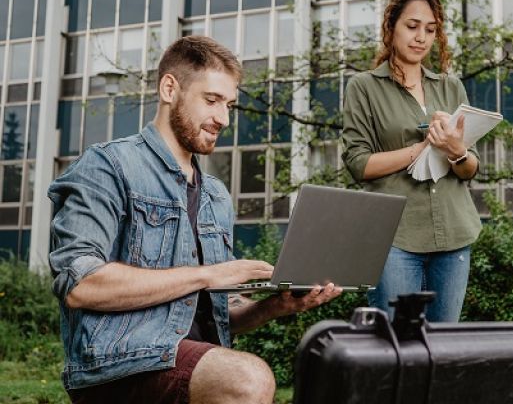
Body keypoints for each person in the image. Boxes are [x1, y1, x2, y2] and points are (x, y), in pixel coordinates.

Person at [48, 36, 342, 404]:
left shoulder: (215, 194)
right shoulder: (107, 166)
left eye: (230, 104)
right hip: (118, 366)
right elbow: (82, 285)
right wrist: (209, 274)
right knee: (248, 379)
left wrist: (273, 306)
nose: (223, 118)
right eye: (212, 100)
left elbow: (214, 313)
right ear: (170, 88)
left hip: (189, 361)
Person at [341, 0, 482, 323]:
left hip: (454, 233)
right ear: (391, 28)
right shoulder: (363, 87)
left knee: (441, 346)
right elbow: (359, 164)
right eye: (412, 26)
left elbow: (470, 169)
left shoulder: (451, 87)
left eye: (430, 30)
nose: (421, 37)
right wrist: (421, 148)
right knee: (395, 347)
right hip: (395, 237)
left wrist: (456, 150)